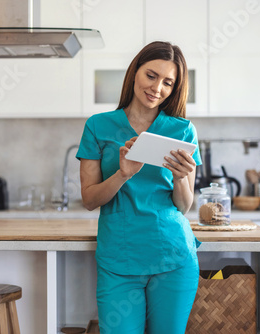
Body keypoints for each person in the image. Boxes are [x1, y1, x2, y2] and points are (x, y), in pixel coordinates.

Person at [76, 41, 202, 334]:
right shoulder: (98, 126)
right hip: (119, 258)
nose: (157, 88)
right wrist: (123, 174)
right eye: (151, 75)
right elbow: (90, 199)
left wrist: (181, 176)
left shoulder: (182, 130)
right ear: (135, 72)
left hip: (173, 255)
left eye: (168, 82)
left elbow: (183, 206)